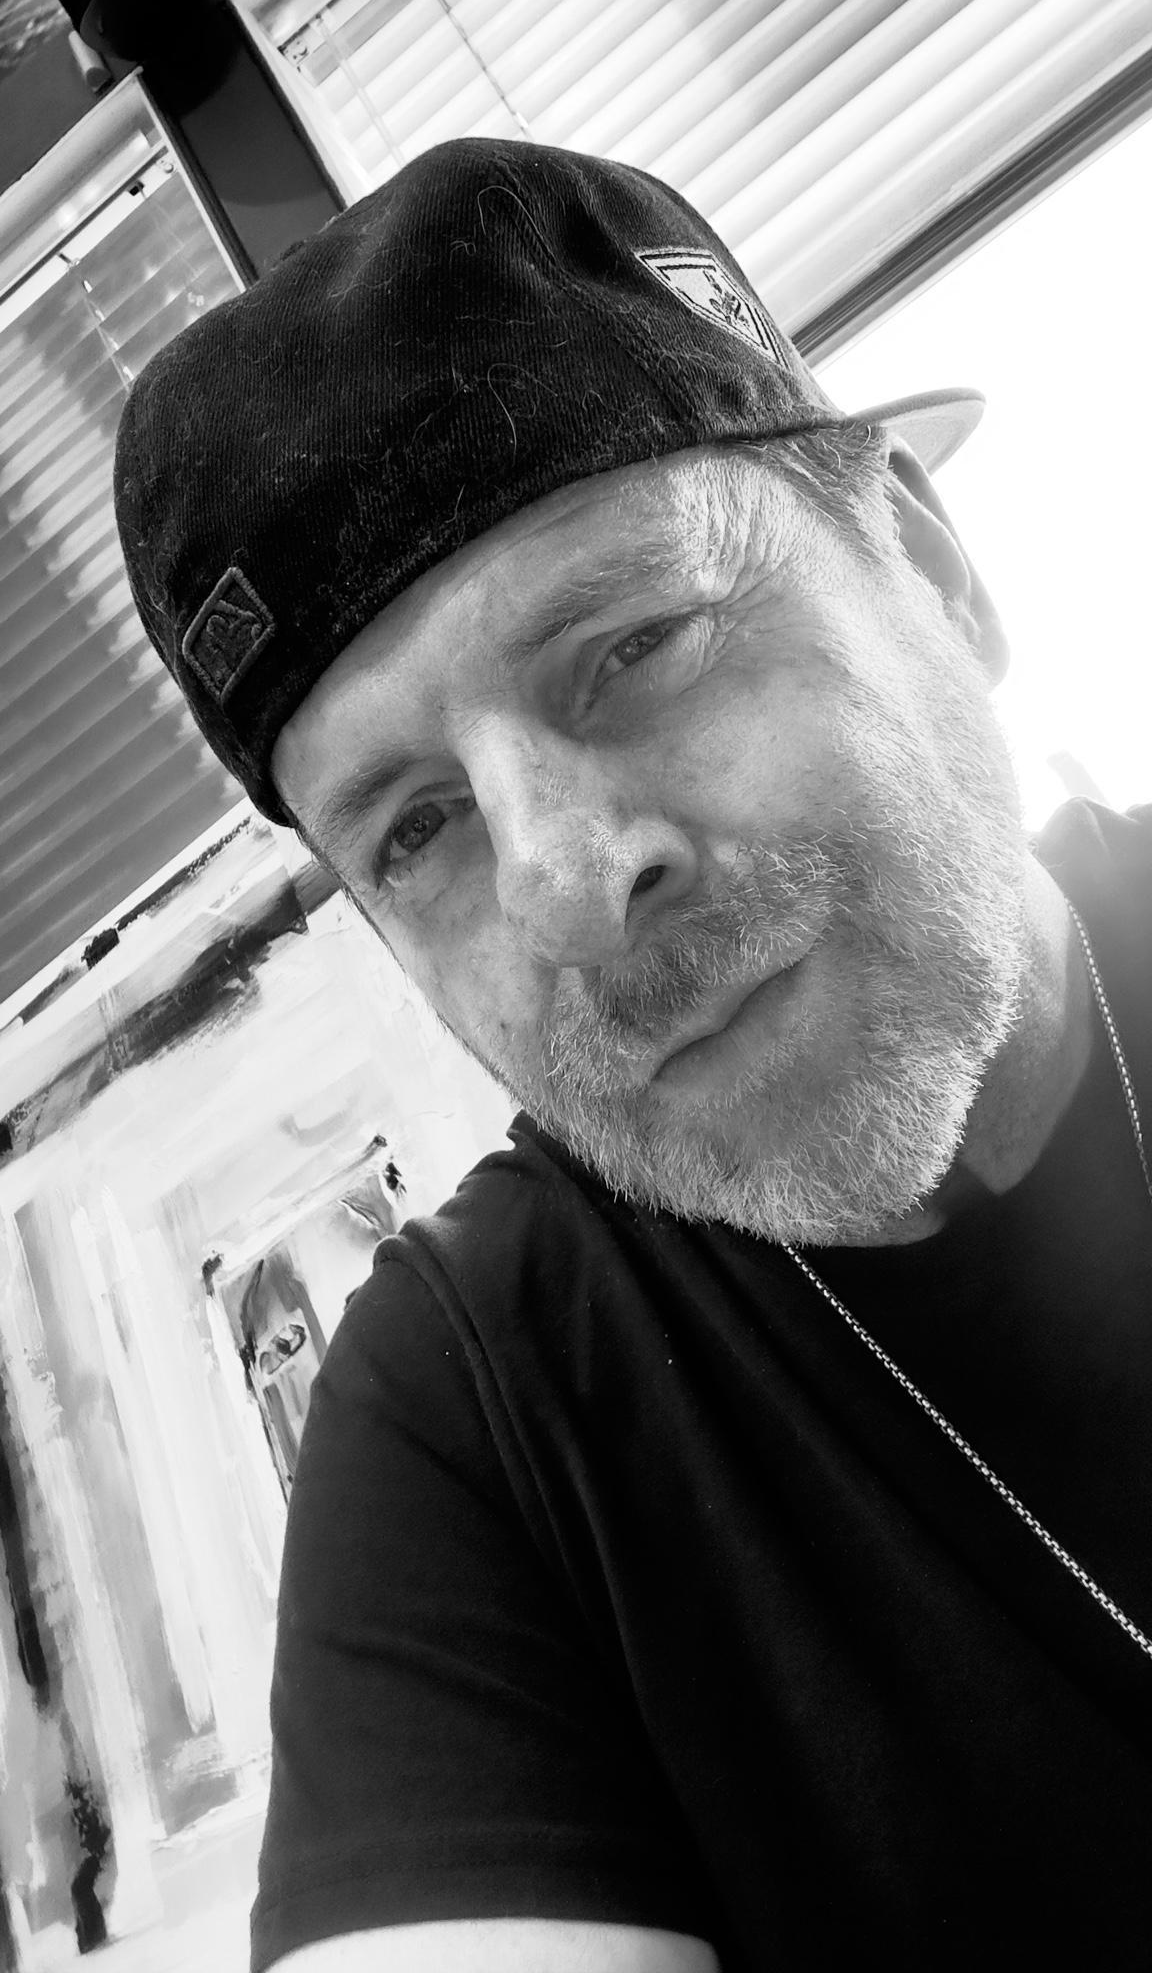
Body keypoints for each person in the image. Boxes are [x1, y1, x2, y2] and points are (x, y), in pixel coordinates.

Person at [112, 138, 1152, 1973]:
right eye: (416, 828)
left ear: (929, 568)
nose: (570, 889)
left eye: (634, 645)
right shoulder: (474, 1415)